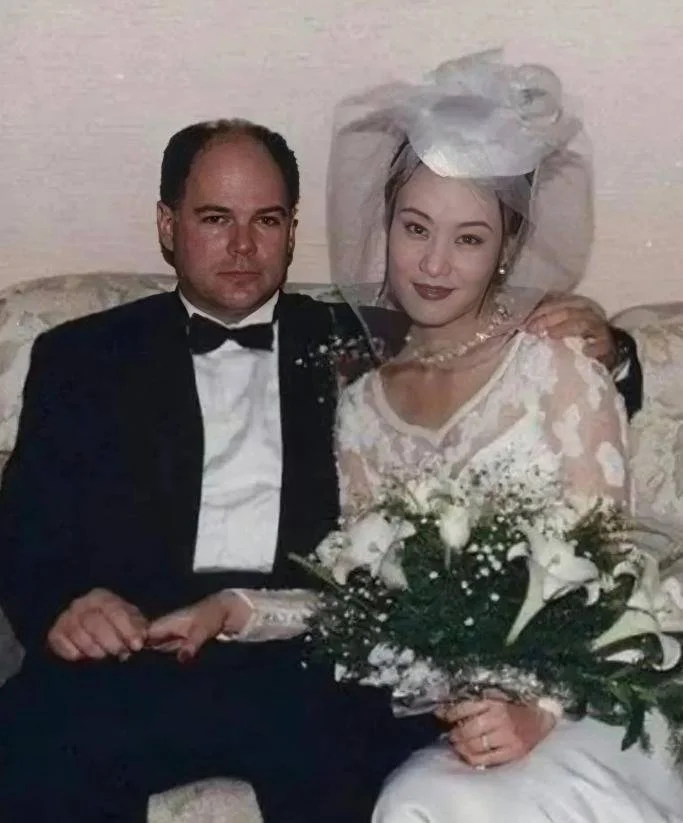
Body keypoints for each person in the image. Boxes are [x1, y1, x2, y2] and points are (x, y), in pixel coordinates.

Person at [0, 114, 640, 822]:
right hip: (135, 653)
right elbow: (24, 529)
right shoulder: (83, 356)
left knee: (345, 753)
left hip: (302, 668)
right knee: (30, 747)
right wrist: (67, 604)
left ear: (292, 228)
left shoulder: (363, 341)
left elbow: (514, 384)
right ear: (167, 224)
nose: (243, 246)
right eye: (215, 218)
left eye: (267, 220)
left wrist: (610, 347)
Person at [318, 52, 682, 822]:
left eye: (469, 238)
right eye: (415, 228)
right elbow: (362, 591)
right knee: (416, 796)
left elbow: (609, 573)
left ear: (505, 250)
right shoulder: (360, 409)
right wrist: (239, 608)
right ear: (386, 225)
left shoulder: (559, 363)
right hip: (470, 713)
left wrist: (537, 707)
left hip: (597, 693)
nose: (434, 263)